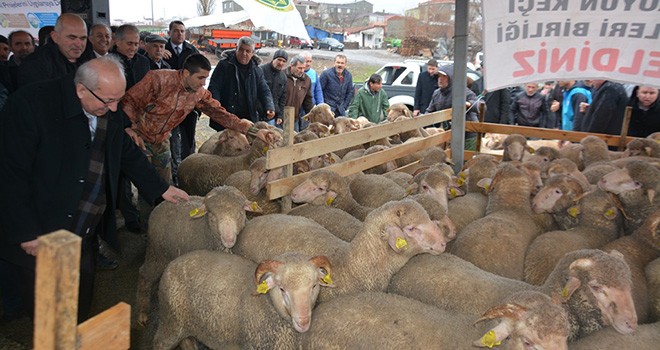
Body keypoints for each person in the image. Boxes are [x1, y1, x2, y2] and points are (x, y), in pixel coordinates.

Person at [0, 55, 190, 322]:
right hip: (42, 227)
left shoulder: (104, 107)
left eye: (118, 100)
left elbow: (125, 150)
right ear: (80, 89)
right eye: (108, 101)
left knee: (79, 298)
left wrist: (160, 189)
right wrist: (26, 231)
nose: (114, 109)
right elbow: (11, 173)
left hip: (84, 224)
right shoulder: (32, 105)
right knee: (45, 309)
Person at [122, 53, 267, 182]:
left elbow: (220, 113)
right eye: (200, 78)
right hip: (138, 138)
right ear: (186, 74)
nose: (204, 83)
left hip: (162, 140)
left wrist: (252, 130)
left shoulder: (199, 93)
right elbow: (129, 101)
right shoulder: (158, 80)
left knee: (164, 182)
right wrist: (132, 128)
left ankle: (160, 208)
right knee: (140, 180)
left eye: (206, 78)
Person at [208, 36, 274, 130]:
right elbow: (214, 87)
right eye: (241, 50)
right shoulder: (224, 65)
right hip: (227, 116)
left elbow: (264, 90)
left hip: (248, 117)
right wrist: (216, 106)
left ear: (252, 53)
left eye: (248, 51)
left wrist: (269, 106)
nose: (244, 54)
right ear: (236, 49)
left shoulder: (257, 70)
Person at [164, 20, 201, 180]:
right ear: (170, 32)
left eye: (182, 31)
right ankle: (174, 174)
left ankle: (189, 172)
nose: (180, 34)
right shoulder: (161, 49)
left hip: (188, 105)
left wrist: (197, 108)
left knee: (188, 140)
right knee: (171, 140)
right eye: (176, 31)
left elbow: (199, 77)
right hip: (168, 105)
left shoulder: (191, 50)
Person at [17, 13, 92, 87]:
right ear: (55, 37)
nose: (78, 44)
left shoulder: (90, 60)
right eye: (72, 38)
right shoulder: (35, 64)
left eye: (83, 38)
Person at [425, 63, 479, 150]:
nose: (440, 79)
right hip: (449, 134)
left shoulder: (463, 92)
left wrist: (469, 104)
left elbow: (480, 104)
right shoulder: (437, 94)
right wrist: (418, 122)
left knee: (466, 161)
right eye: (439, 76)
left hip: (468, 134)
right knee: (449, 159)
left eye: (444, 77)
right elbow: (429, 112)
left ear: (451, 78)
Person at [469, 60, 511, 124]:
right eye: (484, 68)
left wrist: (502, 123)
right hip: (478, 120)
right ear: (481, 69)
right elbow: (472, 102)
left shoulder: (500, 85)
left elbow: (505, 105)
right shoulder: (476, 84)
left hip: (495, 121)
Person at [109, 24, 150, 90]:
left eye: (136, 44)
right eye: (129, 44)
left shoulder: (144, 61)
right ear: (117, 42)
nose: (133, 48)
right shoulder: (107, 63)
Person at [284, 55, 314, 131]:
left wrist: (311, 114)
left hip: (295, 118)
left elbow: (308, 100)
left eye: (304, 68)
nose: (302, 71)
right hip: (280, 117)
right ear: (292, 66)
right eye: (299, 68)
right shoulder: (282, 75)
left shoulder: (307, 80)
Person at [259, 49, 287, 126]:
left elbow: (283, 98)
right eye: (279, 60)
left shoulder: (283, 77)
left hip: (272, 116)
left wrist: (280, 115)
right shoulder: (261, 70)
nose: (281, 63)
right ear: (274, 59)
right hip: (258, 113)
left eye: (284, 61)